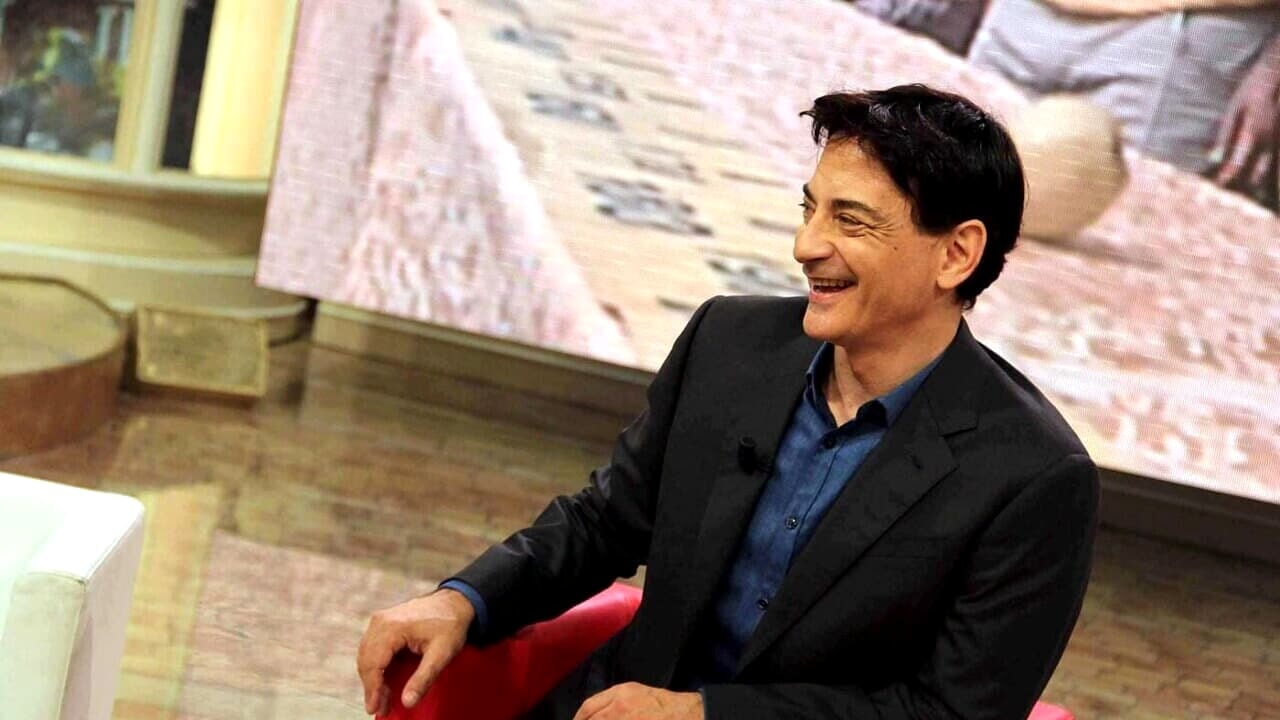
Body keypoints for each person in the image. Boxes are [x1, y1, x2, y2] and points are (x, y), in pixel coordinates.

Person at [357, 84, 1100, 720]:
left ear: (957, 253)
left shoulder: (1032, 477)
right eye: (810, 209)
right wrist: (463, 600)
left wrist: (704, 714)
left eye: (850, 220)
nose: (806, 245)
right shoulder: (731, 342)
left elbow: (949, 713)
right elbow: (606, 522)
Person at [968, 0, 1280, 208]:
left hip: (1178, 34)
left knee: (1122, 251)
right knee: (954, 207)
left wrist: (1274, 68)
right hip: (1022, 16)